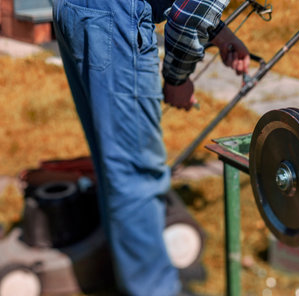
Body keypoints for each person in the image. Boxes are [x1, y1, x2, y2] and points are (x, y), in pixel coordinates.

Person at [52, 0, 250, 295]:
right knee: (136, 173)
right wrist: (176, 78)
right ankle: (154, 288)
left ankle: (126, 270)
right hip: (113, 19)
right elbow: (188, 15)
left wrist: (217, 31)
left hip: (78, 9)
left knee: (114, 165)